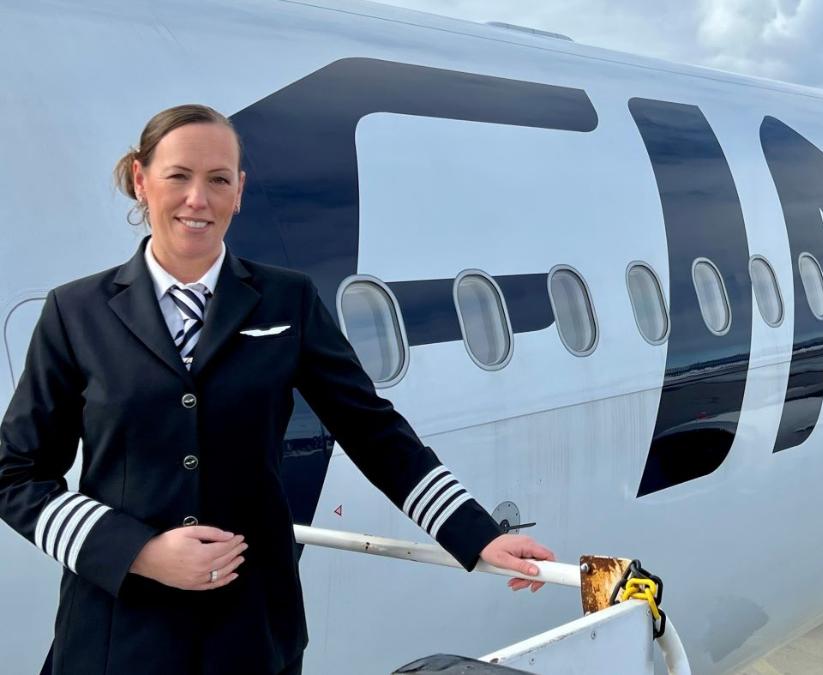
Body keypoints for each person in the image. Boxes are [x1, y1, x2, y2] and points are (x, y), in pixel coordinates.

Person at [0, 104, 555, 675]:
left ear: (239, 191)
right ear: (142, 181)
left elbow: (373, 430)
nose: (198, 199)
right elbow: (15, 474)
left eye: (219, 180)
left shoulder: (286, 300)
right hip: (116, 634)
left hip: (252, 630)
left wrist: (475, 533)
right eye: (179, 176)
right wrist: (136, 551)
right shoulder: (76, 312)